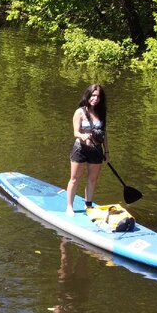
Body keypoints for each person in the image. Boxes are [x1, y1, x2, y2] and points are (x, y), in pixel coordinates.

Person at [66, 84, 108, 216]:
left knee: (92, 179)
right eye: (93, 95)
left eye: (98, 96)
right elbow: (75, 133)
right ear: (88, 95)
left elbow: (104, 133)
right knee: (75, 178)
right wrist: (83, 135)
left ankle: (88, 204)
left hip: (96, 150)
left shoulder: (101, 113)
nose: (95, 98)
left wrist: (107, 151)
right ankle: (69, 206)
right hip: (80, 148)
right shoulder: (80, 112)